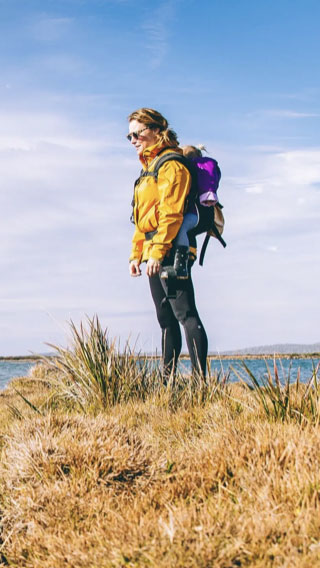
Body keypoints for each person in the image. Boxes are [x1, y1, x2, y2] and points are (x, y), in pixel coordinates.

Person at [127, 108, 209, 380]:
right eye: (129, 136)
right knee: (165, 320)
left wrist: (159, 253)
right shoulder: (147, 169)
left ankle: (200, 385)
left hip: (173, 249)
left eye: (137, 133)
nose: (133, 140)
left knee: (185, 314)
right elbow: (142, 220)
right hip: (153, 252)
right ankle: (166, 383)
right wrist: (136, 255)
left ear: (156, 130)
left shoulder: (171, 165)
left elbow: (171, 214)